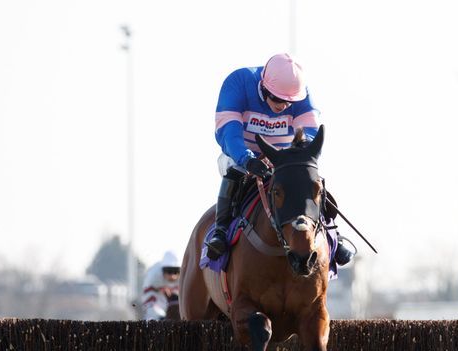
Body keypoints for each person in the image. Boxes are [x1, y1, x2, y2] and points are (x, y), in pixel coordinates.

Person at [206, 53, 355, 266]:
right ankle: (220, 232)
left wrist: (295, 157)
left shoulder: (302, 94)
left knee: (309, 178)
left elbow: (310, 135)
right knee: (235, 171)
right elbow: (229, 132)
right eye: (278, 99)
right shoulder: (237, 82)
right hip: (242, 152)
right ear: (264, 88)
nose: (284, 105)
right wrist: (248, 159)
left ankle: (331, 231)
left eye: (289, 102)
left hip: (284, 157)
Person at [141, 250, 181, 320]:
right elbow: (146, 293)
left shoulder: (183, 275)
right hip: (155, 296)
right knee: (152, 312)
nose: (172, 276)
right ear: (162, 270)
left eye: (176, 271)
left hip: (171, 296)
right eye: (169, 271)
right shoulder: (153, 275)